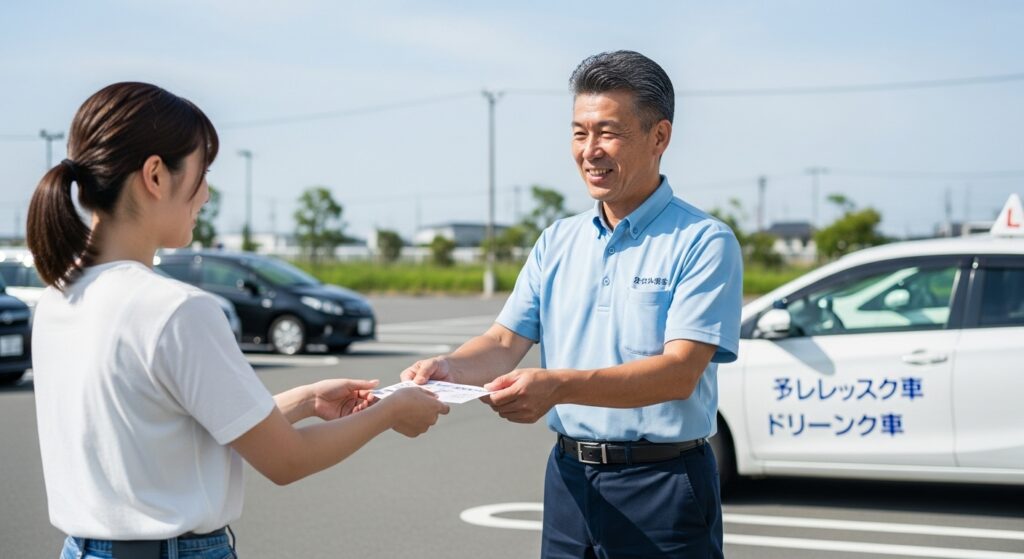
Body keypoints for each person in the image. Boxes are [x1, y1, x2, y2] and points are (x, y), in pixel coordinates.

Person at [27, 82, 449, 559]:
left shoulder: (57, 299)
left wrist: (309, 398)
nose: (205, 193)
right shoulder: (176, 309)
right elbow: (288, 460)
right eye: (201, 171)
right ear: (155, 175)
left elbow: (169, 430)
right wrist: (391, 411)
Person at [403, 51, 742, 558]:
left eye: (608, 132)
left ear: (660, 137)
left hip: (664, 484)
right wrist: (448, 367)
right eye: (579, 133)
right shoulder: (557, 241)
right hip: (568, 477)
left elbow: (678, 374)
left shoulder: (703, 241)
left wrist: (559, 385)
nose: (590, 150)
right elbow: (502, 342)